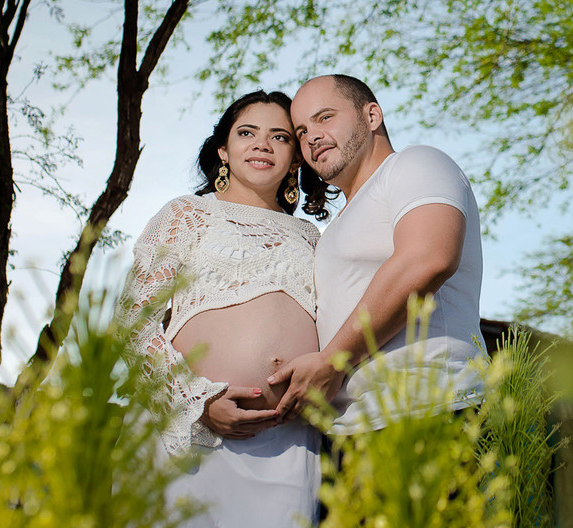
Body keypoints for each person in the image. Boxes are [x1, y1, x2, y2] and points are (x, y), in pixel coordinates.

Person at [117, 90, 330, 527]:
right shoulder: (187, 214)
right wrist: (197, 401)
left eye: (280, 137)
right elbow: (131, 320)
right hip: (191, 436)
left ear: (295, 160)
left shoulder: (313, 238)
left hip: (287, 441)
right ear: (223, 151)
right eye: (247, 133)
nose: (261, 144)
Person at [266, 74, 485, 436]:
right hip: (350, 432)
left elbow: (429, 258)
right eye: (301, 131)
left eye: (324, 118)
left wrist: (332, 362)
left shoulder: (416, 164)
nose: (312, 137)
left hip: (431, 409)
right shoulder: (332, 230)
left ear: (372, 116)